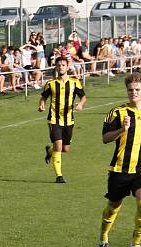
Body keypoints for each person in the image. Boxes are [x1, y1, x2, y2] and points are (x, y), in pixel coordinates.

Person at [98, 72, 141, 247]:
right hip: (119, 170)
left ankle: (136, 243)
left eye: (137, 90)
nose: (133, 93)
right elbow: (105, 138)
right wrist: (122, 130)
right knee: (113, 206)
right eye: (130, 90)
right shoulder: (116, 113)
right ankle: (103, 237)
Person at [38, 56, 86, 184]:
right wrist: (41, 104)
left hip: (69, 120)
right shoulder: (50, 84)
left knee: (65, 149)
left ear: (67, 66)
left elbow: (83, 97)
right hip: (54, 119)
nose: (61, 67)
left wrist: (81, 104)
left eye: (63, 65)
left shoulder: (75, 82)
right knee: (58, 146)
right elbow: (43, 97)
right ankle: (59, 176)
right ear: (56, 67)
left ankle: (49, 151)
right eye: (58, 65)